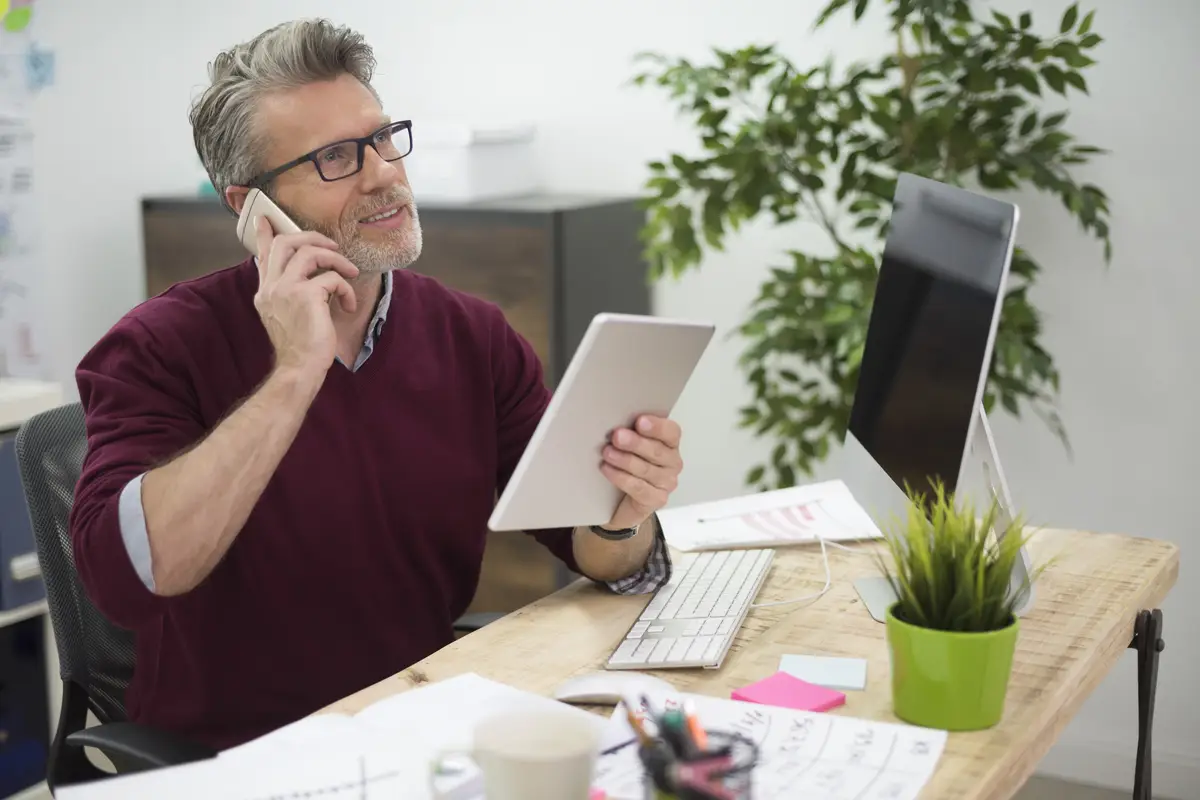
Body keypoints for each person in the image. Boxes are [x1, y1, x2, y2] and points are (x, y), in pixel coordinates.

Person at [69, 18, 681, 751]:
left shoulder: (474, 337)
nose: (384, 172)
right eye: (336, 157)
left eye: (383, 137)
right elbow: (131, 577)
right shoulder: (157, 346)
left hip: (424, 729)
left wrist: (624, 509)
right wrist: (296, 369)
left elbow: (593, 551)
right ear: (250, 209)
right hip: (239, 757)